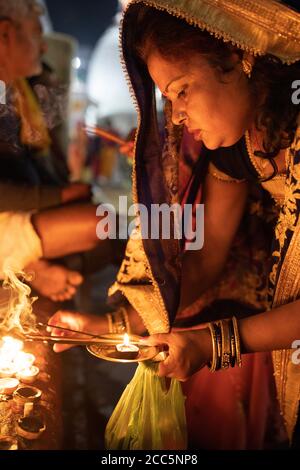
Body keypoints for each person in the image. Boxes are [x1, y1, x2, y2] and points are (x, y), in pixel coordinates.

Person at [49, 0, 300, 449]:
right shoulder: (237, 146)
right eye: (168, 98)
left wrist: (212, 344)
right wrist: (113, 325)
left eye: (183, 90)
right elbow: (205, 257)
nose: (178, 116)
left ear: (239, 56)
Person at [0, 0, 123, 301]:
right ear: (5, 34)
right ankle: (34, 271)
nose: (43, 49)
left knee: (109, 229)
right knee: (104, 224)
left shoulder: (22, 92)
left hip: (23, 207)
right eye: (36, 34)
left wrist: (67, 190)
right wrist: (60, 197)